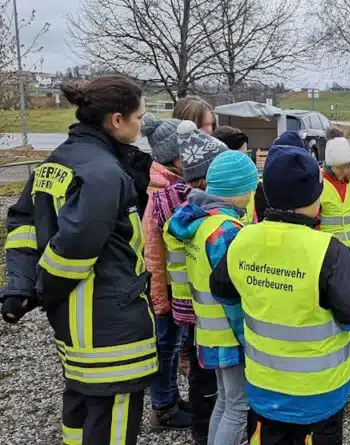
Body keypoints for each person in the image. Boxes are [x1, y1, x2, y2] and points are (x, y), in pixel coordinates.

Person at [2, 75, 156, 444]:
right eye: (139, 117)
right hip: (110, 326)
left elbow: (24, 223)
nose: (142, 124)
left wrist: (21, 285)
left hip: (75, 326)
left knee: (81, 408)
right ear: (116, 120)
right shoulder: (101, 172)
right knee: (113, 421)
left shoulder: (58, 161)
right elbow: (77, 246)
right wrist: (44, 288)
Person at [210, 146, 350, 445]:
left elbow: (222, 290)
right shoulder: (327, 250)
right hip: (318, 394)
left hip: (264, 387)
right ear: (316, 198)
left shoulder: (241, 239)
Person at [165, 150, 258, 445]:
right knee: (238, 406)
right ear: (237, 191)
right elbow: (232, 294)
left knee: (225, 401)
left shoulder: (197, 222)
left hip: (207, 329)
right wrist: (249, 335)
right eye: (251, 187)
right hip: (229, 333)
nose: (253, 193)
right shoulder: (227, 232)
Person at [162, 123, 229, 445]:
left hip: (190, 308)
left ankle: (203, 432)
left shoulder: (185, 215)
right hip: (210, 315)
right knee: (212, 385)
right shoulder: (214, 224)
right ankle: (206, 433)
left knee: (204, 380)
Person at [140, 114, 193, 431]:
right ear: (174, 156)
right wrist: (160, 296)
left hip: (172, 285)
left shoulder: (169, 183)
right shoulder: (160, 190)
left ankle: (170, 399)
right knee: (165, 346)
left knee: (172, 344)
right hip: (164, 286)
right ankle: (163, 408)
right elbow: (154, 252)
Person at [212, 125, 268, 223]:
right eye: (239, 156)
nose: (245, 161)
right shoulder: (206, 187)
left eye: (246, 155)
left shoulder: (256, 189)